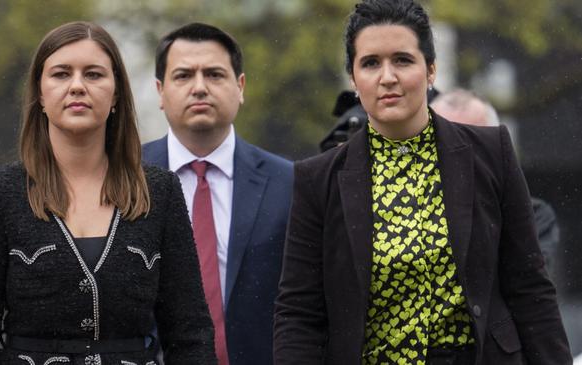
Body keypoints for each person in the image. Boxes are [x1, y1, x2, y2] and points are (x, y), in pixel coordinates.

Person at [273, 0, 572, 364]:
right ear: (354, 79)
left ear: (431, 70)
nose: (387, 77)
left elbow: (530, 289)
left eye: (402, 59)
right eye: (370, 63)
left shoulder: (491, 153)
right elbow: (299, 314)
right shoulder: (317, 179)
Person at [0, 21, 216, 364]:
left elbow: (190, 334)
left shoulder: (160, 192)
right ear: (40, 94)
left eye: (93, 74)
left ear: (116, 93)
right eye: (61, 74)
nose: (77, 86)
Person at [141, 23, 293, 365]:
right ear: (160, 91)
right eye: (183, 76)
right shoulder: (122, 179)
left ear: (240, 87)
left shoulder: (289, 183)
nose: (199, 88)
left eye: (214, 74)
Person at [431, 88, 561, 272]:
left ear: (496, 147)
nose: (458, 154)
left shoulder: (531, 215)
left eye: (472, 141)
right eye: (444, 141)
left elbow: (525, 285)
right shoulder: (395, 206)